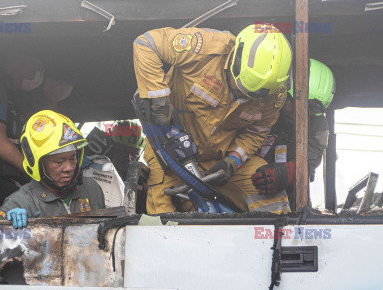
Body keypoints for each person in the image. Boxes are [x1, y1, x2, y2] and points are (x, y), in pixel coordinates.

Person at [133, 24, 293, 214]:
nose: (242, 96)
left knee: (270, 195)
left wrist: (233, 161)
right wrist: (158, 101)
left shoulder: (275, 94)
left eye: (250, 95)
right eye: (239, 87)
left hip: (219, 157)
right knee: (162, 214)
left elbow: (256, 133)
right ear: (235, 56)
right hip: (167, 150)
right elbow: (145, 43)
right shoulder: (205, 48)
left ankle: (274, 240)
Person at [0, 54, 73, 218]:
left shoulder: (15, 97)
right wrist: (37, 173)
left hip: (13, 182)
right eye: (38, 66)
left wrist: (51, 99)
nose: (39, 73)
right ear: (20, 63)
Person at [0, 110, 105, 229]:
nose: (68, 168)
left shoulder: (92, 188)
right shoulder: (20, 203)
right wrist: (5, 224)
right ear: (39, 164)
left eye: (72, 158)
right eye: (59, 161)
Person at [251, 59, 335, 204]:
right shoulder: (262, 107)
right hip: (249, 189)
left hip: (293, 200)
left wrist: (287, 173)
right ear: (283, 91)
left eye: (306, 110)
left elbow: (309, 163)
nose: (295, 112)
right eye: (293, 102)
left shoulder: (319, 124)